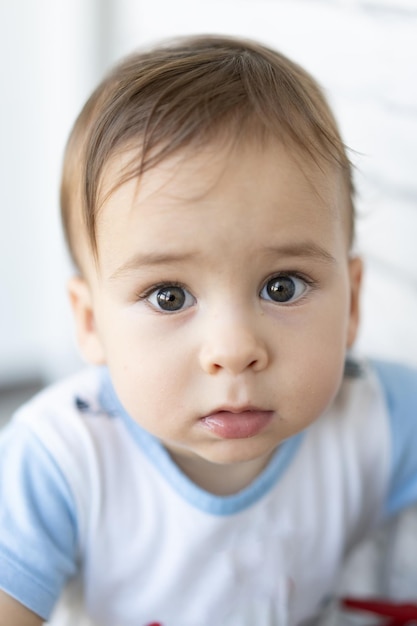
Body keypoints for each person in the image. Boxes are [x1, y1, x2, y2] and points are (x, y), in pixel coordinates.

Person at [0, 34, 416, 626]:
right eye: (169, 296)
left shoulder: (377, 416)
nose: (234, 350)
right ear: (91, 323)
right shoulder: (59, 461)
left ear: (352, 304)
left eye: (282, 286)